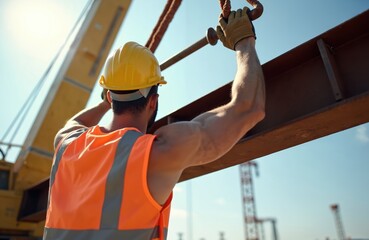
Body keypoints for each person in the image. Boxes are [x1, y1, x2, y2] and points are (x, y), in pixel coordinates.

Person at [43, 6, 265, 240]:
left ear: (109, 95)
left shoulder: (67, 143)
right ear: (153, 102)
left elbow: (75, 120)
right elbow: (249, 108)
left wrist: (105, 103)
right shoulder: (158, 152)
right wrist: (244, 41)